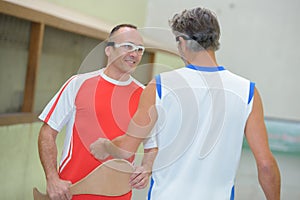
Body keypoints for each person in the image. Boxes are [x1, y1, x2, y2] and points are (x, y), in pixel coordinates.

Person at [90, 7, 281, 200]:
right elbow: (265, 165)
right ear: (214, 41)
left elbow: (126, 147)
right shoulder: (247, 91)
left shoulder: (160, 86)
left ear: (182, 42)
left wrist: (106, 145)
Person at [38, 24, 158, 200]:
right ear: (108, 50)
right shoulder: (78, 84)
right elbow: (47, 133)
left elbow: (151, 144)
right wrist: (52, 178)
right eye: (128, 46)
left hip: (120, 195)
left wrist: (146, 168)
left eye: (140, 49)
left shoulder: (144, 95)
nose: (135, 54)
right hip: (71, 193)